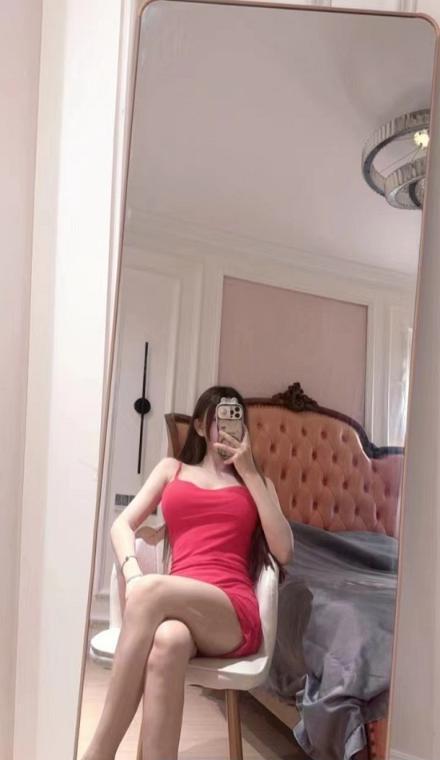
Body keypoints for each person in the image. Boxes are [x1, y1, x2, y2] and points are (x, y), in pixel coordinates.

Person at [81, 385, 294, 760]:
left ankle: (99, 753)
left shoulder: (256, 483)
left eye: (236, 417)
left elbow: (284, 550)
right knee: (168, 641)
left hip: (230, 611)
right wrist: (132, 571)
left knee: (150, 592)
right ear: (199, 425)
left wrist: (248, 470)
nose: (227, 425)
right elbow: (122, 525)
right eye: (218, 417)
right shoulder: (172, 470)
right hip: (178, 607)